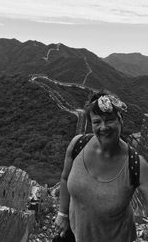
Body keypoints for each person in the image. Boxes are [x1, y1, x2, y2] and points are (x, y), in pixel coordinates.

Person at [55, 90, 148, 242]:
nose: (103, 127)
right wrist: (62, 214)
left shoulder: (136, 164)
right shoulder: (78, 145)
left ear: (121, 120)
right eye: (97, 122)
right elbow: (65, 178)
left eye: (110, 120)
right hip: (73, 233)